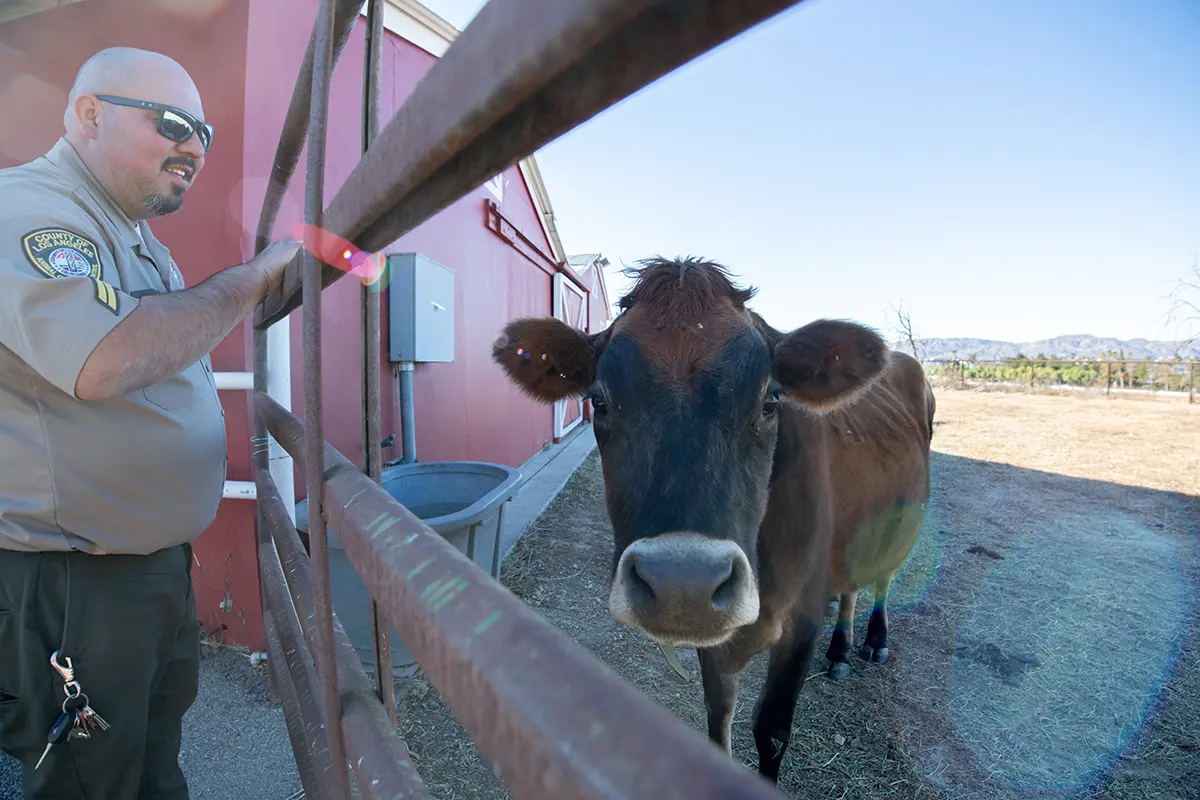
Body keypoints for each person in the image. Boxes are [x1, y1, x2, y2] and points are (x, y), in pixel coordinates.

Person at [0, 47, 301, 799]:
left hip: (146, 568)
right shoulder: (30, 211)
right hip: (76, 584)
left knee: (149, 762)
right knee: (84, 777)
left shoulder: (135, 238)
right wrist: (254, 275)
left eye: (203, 132)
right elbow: (103, 357)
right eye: (170, 123)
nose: (194, 146)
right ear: (89, 114)